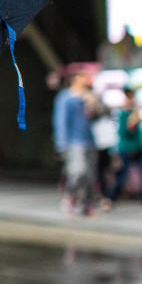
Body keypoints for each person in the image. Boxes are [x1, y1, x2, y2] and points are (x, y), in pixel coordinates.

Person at [52, 70, 100, 216]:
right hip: (73, 141)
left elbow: (99, 115)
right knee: (78, 171)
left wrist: (93, 104)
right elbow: (60, 120)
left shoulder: (89, 95)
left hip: (90, 140)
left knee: (90, 175)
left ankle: (86, 205)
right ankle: (71, 196)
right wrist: (61, 143)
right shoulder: (65, 97)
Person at [106, 88, 142, 213]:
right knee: (122, 176)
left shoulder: (135, 112)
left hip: (138, 148)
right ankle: (110, 199)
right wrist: (132, 123)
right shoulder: (123, 114)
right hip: (127, 149)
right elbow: (124, 132)